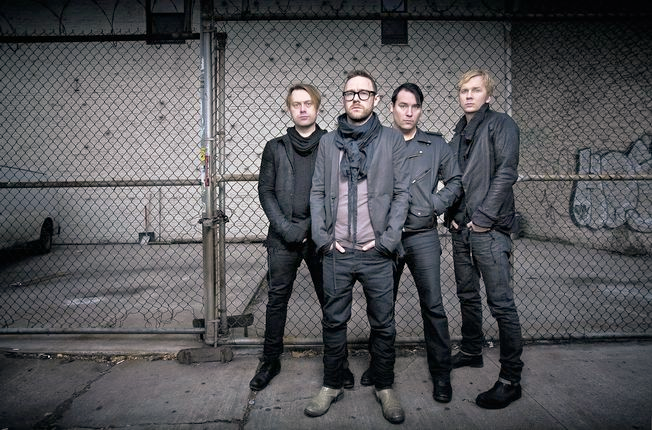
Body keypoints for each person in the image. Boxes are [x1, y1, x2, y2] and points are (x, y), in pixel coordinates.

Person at [305, 70, 409, 424]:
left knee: (383, 323)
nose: (356, 99)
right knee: (334, 322)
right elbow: (317, 191)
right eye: (350, 93)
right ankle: (331, 384)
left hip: (376, 252)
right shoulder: (328, 142)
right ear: (343, 98)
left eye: (364, 93)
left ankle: (385, 386)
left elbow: (402, 193)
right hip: (337, 252)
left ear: (376, 99)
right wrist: (323, 239)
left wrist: (387, 241)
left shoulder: (391, 140)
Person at [359, 83, 462, 403]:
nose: (408, 112)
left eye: (414, 107)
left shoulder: (435, 144)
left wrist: (433, 205)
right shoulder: (376, 142)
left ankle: (441, 373)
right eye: (402, 105)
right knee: (381, 306)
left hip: (422, 236)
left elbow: (456, 181)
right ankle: (379, 365)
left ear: (420, 110)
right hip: (385, 237)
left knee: (433, 305)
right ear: (391, 107)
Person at [250, 83, 354, 392]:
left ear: (317, 107)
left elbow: (340, 192)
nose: (303, 108)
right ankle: (270, 360)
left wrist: (310, 228)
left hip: (321, 237)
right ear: (289, 109)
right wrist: (286, 228)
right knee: (277, 300)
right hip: (283, 237)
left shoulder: (332, 144)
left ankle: (338, 363)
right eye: (296, 104)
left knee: (330, 301)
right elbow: (265, 190)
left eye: (308, 103)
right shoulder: (275, 147)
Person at [445, 69, 524, 409]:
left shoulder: (501, 124)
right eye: (464, 90)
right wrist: (452, 214)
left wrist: (483, 218)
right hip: (461, 229)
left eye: (476, 90)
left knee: (501, 304)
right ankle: (471, 350)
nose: (468, 95)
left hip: (488, 230)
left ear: (488, 96)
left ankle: (510, 379)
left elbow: (506, 172)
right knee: (467, 294)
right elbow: (455, 178)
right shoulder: (459, 131)